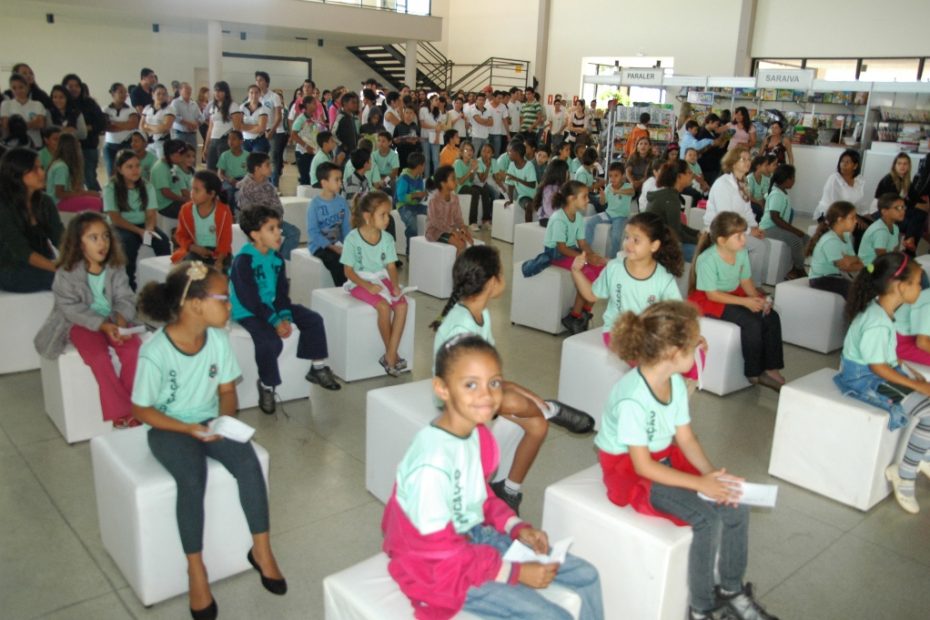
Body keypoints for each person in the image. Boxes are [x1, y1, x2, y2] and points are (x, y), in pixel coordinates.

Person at [382, 333, 603, 619]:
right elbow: (440, 552)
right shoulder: (431, 464)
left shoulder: (477, 433)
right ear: (442, 388)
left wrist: (515, 527)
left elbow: (481, 496)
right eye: (470, 384)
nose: (486, 396)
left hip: (476, 535)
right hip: (436, 566)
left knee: (587, 575)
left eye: (494, 383)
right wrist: (515, 572)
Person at [597, 301, 779, 620]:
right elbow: (642, 467)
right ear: (673, 352)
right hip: (630, 470)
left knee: (736, 503)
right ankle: (701, 607)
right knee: (706, 519)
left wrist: (713, 476)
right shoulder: (632, 398)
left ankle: (732, 590)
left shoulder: (677, 384)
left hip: (665, 456)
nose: (700, 345)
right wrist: (699, 483)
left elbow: (686, 438)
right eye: (695, 341)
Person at [133, 260, 287, 618]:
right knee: (191, 478)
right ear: (196, 304)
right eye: (224, 299)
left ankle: (261, 550)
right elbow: (142, 410)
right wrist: (188, 429)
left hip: (209, 422)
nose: (230, 306)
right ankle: (196, 569)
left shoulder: (218, 339)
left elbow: (227, 390)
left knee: (248, 462)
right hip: (168, 427)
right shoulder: (155, 351)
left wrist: (222, 421)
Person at [835, 252, 930, 514]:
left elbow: (888, 356)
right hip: (864, 379)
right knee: (929, 412)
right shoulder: (878, 320)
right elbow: (877, 367)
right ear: (900, 286)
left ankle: (922, 456)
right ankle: (905, 474)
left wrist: (909, 372)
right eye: (918, 282)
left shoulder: (886, 310)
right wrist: (919, 386)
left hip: (876, 372)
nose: (921, 287)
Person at [34, 212, 141, 429]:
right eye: (93, 238)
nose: (102, 243)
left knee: (133, 351)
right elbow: (70, 308)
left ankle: (136, 405)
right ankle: (122, 411)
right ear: (78, 243)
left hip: (112, 319)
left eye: (105, 237)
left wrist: (120, 319)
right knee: (99, 357)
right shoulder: (66, 272)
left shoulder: (115, 266)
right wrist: (102, 325)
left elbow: (126, 297)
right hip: (79, 323)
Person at [230, 206, 341, 414]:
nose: (279, 233)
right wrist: (274, 321)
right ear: (254, 234)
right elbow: (249, 299)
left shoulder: (277, 258)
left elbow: (281, 292)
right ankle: (267, 386)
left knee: (313, 319)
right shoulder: (243, 260)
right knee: (269, 341)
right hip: (248, 311)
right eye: (271, 229)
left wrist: (285, 316)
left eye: (278, 228)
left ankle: (317, 367)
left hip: (271, 305)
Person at [688, 211, 785, 392]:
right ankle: (754, 372)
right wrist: (746, 303)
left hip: (732, 294)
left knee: (771, 317)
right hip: (711, 300)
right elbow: (712, 295)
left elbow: (745, 280)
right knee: (750, 322)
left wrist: (756, 299)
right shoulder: (707, 259)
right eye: (738, 236)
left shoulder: (740, 253)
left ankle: (771, 367)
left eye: (743, 234)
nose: (744, 240)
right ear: (722, 240)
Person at [573, 212, 683, 343]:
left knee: (684, 353)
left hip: (648, 335)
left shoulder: (663, 277)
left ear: (654, 246)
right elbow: (591, 295)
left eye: (636, 240)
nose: (628, 244)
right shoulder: (614, 267)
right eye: (627, 237)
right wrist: (576, 271)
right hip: (616, 332)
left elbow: (676, 312)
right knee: (654, 356)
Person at [341, 191, 409, 376]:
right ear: (367, 217)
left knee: (402, 305)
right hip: (360, 282)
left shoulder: (386, 238)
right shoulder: (352, 239)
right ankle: (392, 356)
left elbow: (391, 267)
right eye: (383, 215)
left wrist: (394, 285)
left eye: (388, 214)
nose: (388, 219)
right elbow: (348, 271)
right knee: (384, 307)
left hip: (380, 278)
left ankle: (389, 355)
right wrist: (367, 285)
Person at [542, 181, 606, 334]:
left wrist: (592, 256)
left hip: (571, 251)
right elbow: (561, 247)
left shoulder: (577, 217)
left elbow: (582, 243)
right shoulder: (559, 218)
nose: (588, 200)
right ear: (571, 198)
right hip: (556, 254)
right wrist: (584, 258)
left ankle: (583, 314)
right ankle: (574, 316)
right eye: (584, 197)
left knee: (602, 269)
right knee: (588, 274)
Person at [102, 150, 170, 288]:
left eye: (137, 166)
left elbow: (151, 213)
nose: (135, 170)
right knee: (128, 244)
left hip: (143, 226)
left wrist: (149, 228)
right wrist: (138, 231)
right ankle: (130, 286)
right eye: (129, 166)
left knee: (162, 242)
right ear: (120, 169)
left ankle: (164, 282)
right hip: (121, 226)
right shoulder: (111, 188)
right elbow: (115, 218)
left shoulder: (146, 186)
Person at [0, 147, 64, 291]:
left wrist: (79, 259)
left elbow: (60, 236)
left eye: (41, 167)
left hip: (43, 261)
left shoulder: (45, 202)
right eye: (34, 169)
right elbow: (21, 251)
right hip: (10, 268)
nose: (42, 173)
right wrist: (58, 268)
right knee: (70, 281)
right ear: (16, 174)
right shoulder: (3, 206)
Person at [703, 147, 767, 287]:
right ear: (732, 163)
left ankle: (746, 281)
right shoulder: (723, 184)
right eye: (742, 159)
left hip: (736, 229)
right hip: (721, 231)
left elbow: (747, 209)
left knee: (763, 242)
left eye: (749, 159)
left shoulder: (743, 182)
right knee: (759, 247)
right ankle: (754, 285)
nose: (747, 162)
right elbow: (725, 217)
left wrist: (755, 227)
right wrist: (749, 232)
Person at [236, 152, 300, 259]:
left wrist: (276, 219)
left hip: (273, 221)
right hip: (256, 225)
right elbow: (247, 213)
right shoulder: (246, 187)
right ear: (257, 168)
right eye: (267, 165)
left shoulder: (268, 185)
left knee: (294, 232)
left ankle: (280, 260)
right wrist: (266, 223)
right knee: (265, 241)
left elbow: (278, 206)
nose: (271, 167)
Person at [172, 170, 233, 269]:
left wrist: (219, 261)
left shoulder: (224, 211)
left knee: (222, 275)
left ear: (211, 194)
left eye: (197, 190)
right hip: (195, 249)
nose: (192, 193)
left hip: (219, 253)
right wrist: (193, 247)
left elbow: (225, 240)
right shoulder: (186, 210)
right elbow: (180, 235)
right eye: (192, 189)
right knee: (191, 271)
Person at [645, 161, 701, 262]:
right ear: (679, 176)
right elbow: (676, 233)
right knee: (704, 254)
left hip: (659, 242)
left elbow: (676, 224)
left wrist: (696, 233)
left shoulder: (669, 194)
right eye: (689, 172)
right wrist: (699, 241)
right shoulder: (670, 198)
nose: (692, 175)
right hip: (658, 248)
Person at [875, 153, 929, 256]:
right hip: (883, 212)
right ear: (894, 166)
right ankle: (909, 249)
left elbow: (915, 197)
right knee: (913, 222)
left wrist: (924, 204)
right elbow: (894, 202)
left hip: (897, 210)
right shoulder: (889, 179)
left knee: (920, 215)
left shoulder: (906, 180)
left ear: (909, 166)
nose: (902, 166)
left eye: (905, 164)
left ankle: (909, 242)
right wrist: (917, 205)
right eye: (899, 163)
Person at [759, 165, 808, 279]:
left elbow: (764, 199)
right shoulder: (777, 194)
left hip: (776, 226)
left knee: (806, 238)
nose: (794, 181)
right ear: (787, 179)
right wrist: (794, 230)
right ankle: (798, 269)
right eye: (793, 178)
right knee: (796, 240)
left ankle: (794, 266)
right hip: (768, 228)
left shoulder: (781, 192)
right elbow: (775, 218)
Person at [806, 201, 862, 299]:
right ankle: (855, 313)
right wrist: (863, 264)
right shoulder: (830, 239)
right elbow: (845, 266)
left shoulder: (846, 236)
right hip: (821, 279)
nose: (856, 221)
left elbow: (853, 261)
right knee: (855, 291)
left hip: (836, 275)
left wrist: (853, 260)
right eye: (852, 218)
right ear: (840, 220)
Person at [308, 162, 351, 286]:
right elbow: (313, 232)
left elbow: (346, 228)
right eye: (336, 180)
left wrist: (349, 246)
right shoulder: (315, 205)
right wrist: (332, 247)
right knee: (336, 261)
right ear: (324, 183)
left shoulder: (342, 202)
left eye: (340, 179)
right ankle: (342, 290)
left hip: (337, 244)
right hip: (319, 247)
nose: (340, 183)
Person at [62, 73, 107, 191]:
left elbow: (101, 123)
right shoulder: (62, 104)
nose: (74, 89)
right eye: (70, 86)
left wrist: (85, 128)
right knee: (72, 180)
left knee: (89, 178)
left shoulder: (89, 103)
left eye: (76, 85)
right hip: (66, 148)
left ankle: (99, 204)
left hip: (88, 147)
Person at [585, 161, 633, 260]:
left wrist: (617, 191)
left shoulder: (628, 186)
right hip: (608, 214)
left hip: (620, 216)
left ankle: (612, 259)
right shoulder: (608, 187)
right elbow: (603, 203)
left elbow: (632, 192)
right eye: (610, 176)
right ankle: (586, 251)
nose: (613, 178)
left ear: (623, 176)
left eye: (616, 175)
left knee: (615, 236)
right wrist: (602, 197)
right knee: (589, 222)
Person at [46, 132, 102, 214]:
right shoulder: (61, 167)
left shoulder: (62, 164)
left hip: (60, 201)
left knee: (97, 197)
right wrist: (84, 193)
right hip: (57, 203)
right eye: (77, 143)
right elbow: (59, 194)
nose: (79, 145)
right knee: (96, 202)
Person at [427, 165, 473, 257]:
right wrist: (453, 231)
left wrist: (463, 228)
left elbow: (458, 218)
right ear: (443, 183)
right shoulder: (434, 199)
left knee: (468, 241)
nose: (456, 182)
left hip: (450, 230)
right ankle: (458, 270)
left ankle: (462, 268)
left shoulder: (454, 198)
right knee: (461, 244)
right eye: (453, 179)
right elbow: (435, 221)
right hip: (435, 232)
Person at [813, 149, 867, 225]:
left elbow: (861, 204)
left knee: (870, 225)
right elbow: (836, 206)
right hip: (831, 214)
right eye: (842, 161)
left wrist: (866, 216)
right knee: (859, 230)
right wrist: (856, 218)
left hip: (849, 214)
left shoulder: (859, 180)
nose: (843, 164)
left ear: (855, 166)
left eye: (847, 162)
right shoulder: (834, 179)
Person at [253, 72, 287, 188]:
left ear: (267, 82)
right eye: (257, 80)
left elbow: (278, 116)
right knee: (259, 159)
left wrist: (272, 130)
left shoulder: (274, 97)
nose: (258, 82)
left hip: (272, 132)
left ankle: (274, 185)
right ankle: (260, 184)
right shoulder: (255, 97)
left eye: (261, 80)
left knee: (273, 159)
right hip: (259, 132)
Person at [202, 81, 242, 173]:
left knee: (224, 171)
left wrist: (235, 146)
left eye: (220, 91)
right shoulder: (213, 106)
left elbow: (237, 128)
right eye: (216, 91)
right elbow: (210, 128)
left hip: (226, 141)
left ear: (226, 92)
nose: (217, 93)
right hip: (213, 140)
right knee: (210, 169)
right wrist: (206, 146)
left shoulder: (233, 106)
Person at [395, 151, 429, 255]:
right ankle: (411, 251)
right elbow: (400, 197)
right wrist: (416, 195)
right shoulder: (404, 178)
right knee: (412, 224)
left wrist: (423, 195)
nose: (424, 167)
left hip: (415, 205)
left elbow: (420, 193)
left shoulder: (418, 177)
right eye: (424, 165)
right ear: (419, 166)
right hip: (403, 206)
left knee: (432, 211)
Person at [1, 73, 46, 148]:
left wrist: (18, 126)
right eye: (14, 88)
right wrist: (31, 124)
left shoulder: (37, 104)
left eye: (21, 87)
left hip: (35, 144)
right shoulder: (6, 104)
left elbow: (40, 123)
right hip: (14, 146)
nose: (18, 91)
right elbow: (6, 126)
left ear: (27, 87)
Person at [454, 141, 492, 230]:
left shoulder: (471, 162)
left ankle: (486, 220)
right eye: (466, 150)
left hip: (468, 185)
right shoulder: (458, 163)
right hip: (460, 187)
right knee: (475, 193)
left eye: (471, 150)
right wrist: (471, 170)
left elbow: (470, 180)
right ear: (462, 152)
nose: (469, 152)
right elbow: (460, 181)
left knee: (484, 191)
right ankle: (472, 222)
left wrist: (473, 170)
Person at [858, 193, 904, 267]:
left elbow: (894, 250)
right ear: (884, 212)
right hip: (869, 266)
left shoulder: (895, 227)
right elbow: (882, 258)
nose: (902, 211)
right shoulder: (880, 231)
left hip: (882, 263)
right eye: (897, 208)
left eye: (903, 207)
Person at [103, 83, 139, 177]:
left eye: (125, 92)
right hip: (110, 146)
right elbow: (106, 127)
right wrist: (125, 125)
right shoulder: (105, 110)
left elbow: (133, 125)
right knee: (111, 172)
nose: (124, 95)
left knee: (128, 172)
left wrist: (114, 123)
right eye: (120, 92)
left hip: (126, 144)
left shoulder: (131, 110)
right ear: (113, 94)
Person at [150, 139, 190, 220]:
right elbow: (166, 192)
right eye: (184, 155)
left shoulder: (171, 165)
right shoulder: (160, 168)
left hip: (174, 200)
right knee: (196, 211)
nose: (184, 158)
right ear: (175, 155)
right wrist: (184, 199)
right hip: (165, 205)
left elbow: (179, 185)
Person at [291, 96, 325, 186]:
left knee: (311, 177)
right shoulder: (301, 118)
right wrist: (306, 146)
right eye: (314, 103)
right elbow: (293, 134)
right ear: (307, 105)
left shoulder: (313, 118)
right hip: (303, 152)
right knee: (305, 178)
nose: (316, 105)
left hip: (312, 151)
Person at [504, 142, 538, 224]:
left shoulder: (529, 165)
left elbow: (532, 185)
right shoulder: (512, 165)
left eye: (510, 152)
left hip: (536, 195)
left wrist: (516, 179)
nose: (508, 154)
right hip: (523, 196)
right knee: (528, 205)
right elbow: (510, 185)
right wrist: (511, 200)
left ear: (517, 153)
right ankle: (527, 226)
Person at [140, 84, 176, 160]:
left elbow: (165, 128)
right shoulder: (147, 108)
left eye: (164, 94)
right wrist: (157, 128)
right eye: (158, 94)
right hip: (149, 143)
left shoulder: (169, 109)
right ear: (153, 95)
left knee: (162, 167)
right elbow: (141, 126)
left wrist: (148, 126)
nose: (161, 96)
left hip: (163, 144)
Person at [216, 130, 248, 212]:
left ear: (241, 141)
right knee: (229, 192)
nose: (230, 141)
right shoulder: (225, 155)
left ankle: (244, 213)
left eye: (234, 139)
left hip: (244, 179)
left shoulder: (247, 155)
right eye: (229, 139)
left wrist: (244, 181)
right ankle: (231, 214)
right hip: (229, 179)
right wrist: (228, 179)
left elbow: (251, 172)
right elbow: (220, 173)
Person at [169, 82, 201, 149]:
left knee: (192, 155)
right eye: (186, 89)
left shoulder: (194, 103)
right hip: (180, 134)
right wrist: (188, 124)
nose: (189, 91)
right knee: (179, 154)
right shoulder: (175, 102)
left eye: (190, 90)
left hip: (192, 134)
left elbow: (201, 117)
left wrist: (196, 124)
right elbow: (174, 117)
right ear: (180, 91)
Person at [240, 85, 270, 153]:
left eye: (256, 93)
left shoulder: (263, 108)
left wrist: (244, 127)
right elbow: (238, 125)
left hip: (259, 141)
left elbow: (262, 128)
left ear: (260, 94)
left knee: (256, 162)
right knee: (244, 162)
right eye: (251, 92)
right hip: (245, 141)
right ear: (248, 94)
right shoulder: (242, 107)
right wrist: (256, 127)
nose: (254, 95)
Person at [574, 146, 604, 211]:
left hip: (588, 194)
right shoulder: (582, 173)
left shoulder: (587, 169)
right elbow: (583, 189)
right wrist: (597, 185)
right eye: (596, 160)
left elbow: (589, 178)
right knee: (601, 203)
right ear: (593, 160)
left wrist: (597, 178)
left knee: (603, 197)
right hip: (582, 195)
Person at [392, 106, 421, 170]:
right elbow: (394, 140)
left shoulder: (415, 126)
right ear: (404, 114)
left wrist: (416, 142)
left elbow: (419, 140)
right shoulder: (399, 126)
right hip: (401, 153)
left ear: (414, 115)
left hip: (413, 153)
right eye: (407, 113)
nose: (408, 115)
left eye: (411, 113)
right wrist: (398, 141)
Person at [626, 137, 654, 204]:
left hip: (646, 182)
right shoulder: (632, 157)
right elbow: (628, 171)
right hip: (633, 182)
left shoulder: (653, 159)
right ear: (637, 146)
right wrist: (632, 182)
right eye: (640, 144)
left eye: (645, 144)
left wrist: (639, 183)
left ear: (649, 146)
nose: (643, 146)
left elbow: (648, 175)